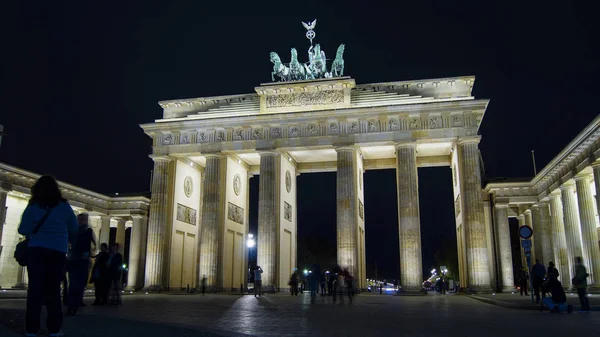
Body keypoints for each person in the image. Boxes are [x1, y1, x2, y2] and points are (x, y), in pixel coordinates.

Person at [18, 175, 78, 337]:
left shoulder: (33, 206)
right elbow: (74, 227)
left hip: (36, 250)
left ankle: (31, 329)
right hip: (57, 251)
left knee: (34, 290)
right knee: (53, 291)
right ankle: (54, 329)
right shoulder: (64, 206)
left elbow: (22, 229)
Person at [66, 213, 96, 315]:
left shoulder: (74, 231)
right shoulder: (88, 231)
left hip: (74, 259)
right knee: (78, 283)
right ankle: (74, 305)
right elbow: (93, 245)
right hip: (81, 260)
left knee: (74, 283)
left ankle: (72, 305)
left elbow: (69, 243)